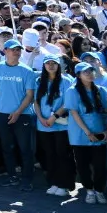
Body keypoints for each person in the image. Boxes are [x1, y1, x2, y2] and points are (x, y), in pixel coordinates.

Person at [0, 38, 38, 190]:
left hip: (23, 115)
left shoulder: (27, 70)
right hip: (2, 113)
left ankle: (27, 179)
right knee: (7, 147)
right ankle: (12, 176)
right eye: (13, 49)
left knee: (25, 148)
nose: (16, 52)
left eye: (18, 49)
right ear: (5, 51)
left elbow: (30, 95)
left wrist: (18, 112)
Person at [63, 62, 107, 204]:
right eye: (86, 72)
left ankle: (99, 190)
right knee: (82, 165)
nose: (90, 74)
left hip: (100, 133)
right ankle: (89, 190)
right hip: (80, 135)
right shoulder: (72, 91)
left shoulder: (101, 90)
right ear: (78, 75)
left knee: (100, 165)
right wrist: (87, 132)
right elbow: (74, 113)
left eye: (91, 71)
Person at [33, 54, 74, 198]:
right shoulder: (39, 81)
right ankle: (54, 182)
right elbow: (36, 101)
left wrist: (54, 116)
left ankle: (64, 184)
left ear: (58, 65)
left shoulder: (66, 81)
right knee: (49, 154)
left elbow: (68, 102)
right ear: (44, 65)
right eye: (48, 63)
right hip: (44, 124)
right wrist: (40, 118)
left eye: (54, 63)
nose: (51, 66)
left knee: (62, 154)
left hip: (61, 125)